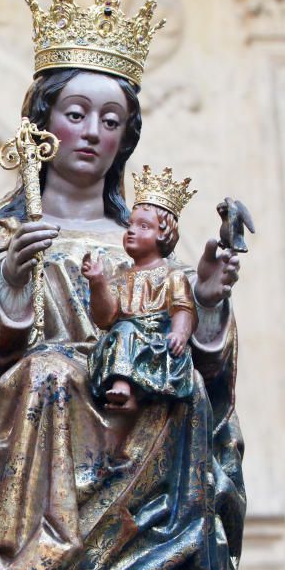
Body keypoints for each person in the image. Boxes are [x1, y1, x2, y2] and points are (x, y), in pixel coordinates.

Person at [0, 0, 245, 570]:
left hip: (144, 440)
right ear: (43, 125)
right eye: (75, 114)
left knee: (180, 392)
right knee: (47, 373)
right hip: (43, 439)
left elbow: (204, 368)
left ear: (127, 139)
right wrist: (7, 281)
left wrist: (207, 304)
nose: (92, 132)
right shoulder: (4, 236)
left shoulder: (145, 244)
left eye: (111, 121)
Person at [82, 167, 198, 419]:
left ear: (163, 235)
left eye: (143, 226)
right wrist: (98, 282)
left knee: (125, 332)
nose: (132, 231)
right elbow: (105, 317)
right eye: (130, 225)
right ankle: (125, 394)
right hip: (122, 341)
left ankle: (124, 387)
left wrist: (179, 333)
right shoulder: (121, 275)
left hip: (156, 343)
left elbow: (183, 309)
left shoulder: (172, 276)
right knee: (121, 331)